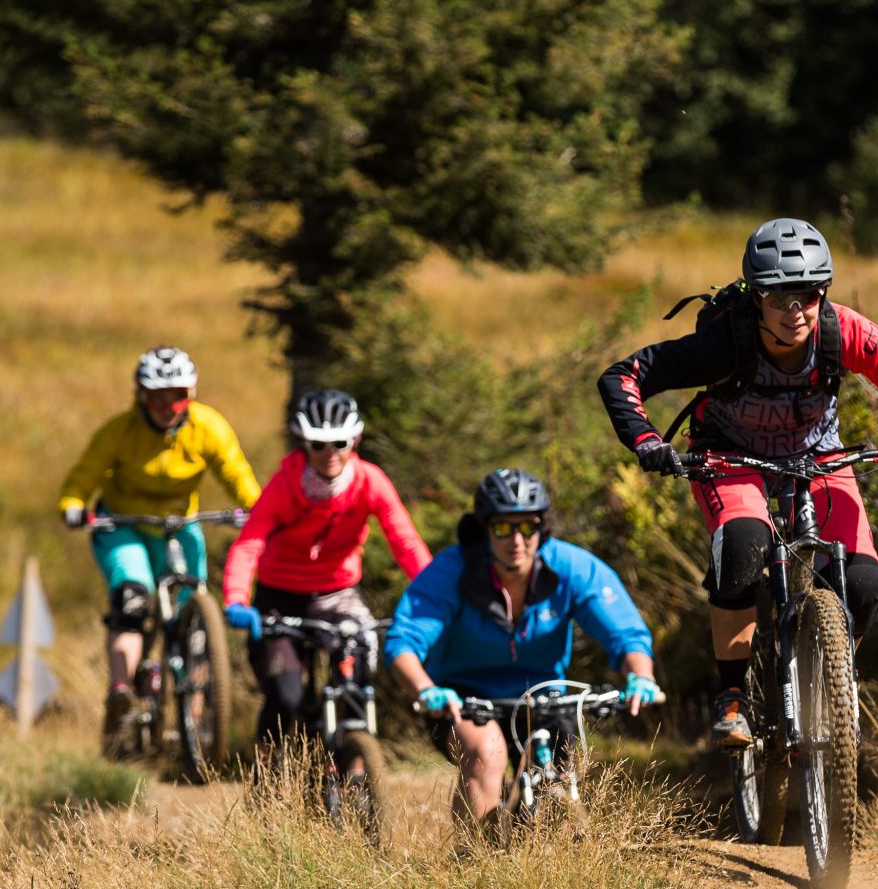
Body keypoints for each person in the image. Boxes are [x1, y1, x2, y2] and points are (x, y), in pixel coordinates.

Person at [597, 216, 878, 749]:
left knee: (862, 585)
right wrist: (648, 441)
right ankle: (732, 699)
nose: (795, 311)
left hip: (817, 455)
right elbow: (623, 377)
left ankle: (829, 681)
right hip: (729, 456)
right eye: (778, 298)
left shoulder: (843, 331)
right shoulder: (725, 340)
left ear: (823, 293)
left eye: (809, 295)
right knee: (744, 544)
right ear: (755, 297)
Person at [386, 468, 662, 828]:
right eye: (503, 528)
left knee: (559, 770)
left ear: (542, 528)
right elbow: (403, 642)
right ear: (484, 530)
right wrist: (427, 690)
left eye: (527, 527)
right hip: (464, 697)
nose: (516, 540)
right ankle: (475, 865)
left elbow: (624, 632)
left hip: (543, 696)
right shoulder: (452, 571)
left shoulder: (570, 566)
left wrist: (641, 677)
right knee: (487, 753)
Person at [58, 346, 262, 745]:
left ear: (192, 394)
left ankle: (198, 727)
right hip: (123, 525)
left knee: (197, 622)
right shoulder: (119, 432)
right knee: (132, 597)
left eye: (178, 396)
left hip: (181, 525)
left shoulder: (209, 428)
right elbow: (80, 480)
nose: (168, 406)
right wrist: (74, 507)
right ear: (140, 396)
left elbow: (238, 475)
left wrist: (258, 510)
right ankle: (121, 691)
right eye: (156, 397)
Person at [221, 389, 433, 758]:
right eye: (319, 445)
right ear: (304, 443)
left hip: (338, 596)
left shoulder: (370, 481)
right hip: (279, 598)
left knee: (357, 675)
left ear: (355, 440)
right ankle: (270, 780)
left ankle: (352, 764)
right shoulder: (284, 485)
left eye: (340, 442)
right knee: (286, 696)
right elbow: (248, 544)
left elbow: (405, 542)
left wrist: (436, 590)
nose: (330, 453)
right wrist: (237, 600)